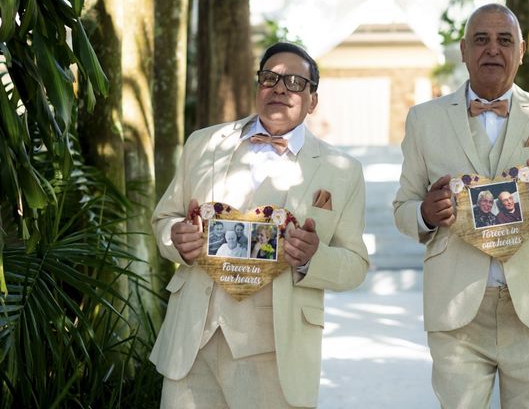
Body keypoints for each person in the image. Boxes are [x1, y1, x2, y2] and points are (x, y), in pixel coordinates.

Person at [393, 3, 529, 408]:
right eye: (481, 40)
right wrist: (425, 214)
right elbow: (403, 208)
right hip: (457, 313)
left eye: (504, 40)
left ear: (521, 51)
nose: (493, 49)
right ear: (464, 49)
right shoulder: (424, 120)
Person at [150, 41, 369, 408]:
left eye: (295, 83)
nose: (280, 88)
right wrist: (175, 238)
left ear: (312, 101)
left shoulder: (341, 170)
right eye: (270, 78)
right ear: (258, 87)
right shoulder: (203, 144)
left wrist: (312, 258)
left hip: (275, 351)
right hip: (192, 341)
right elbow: (165, 219)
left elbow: (356, 264)